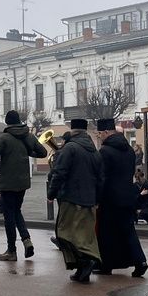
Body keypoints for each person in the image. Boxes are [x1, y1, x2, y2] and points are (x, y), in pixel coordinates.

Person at [0, 110, 47, 262]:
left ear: (7, 122)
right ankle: (26, 240)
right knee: (16, 210)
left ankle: (11, 250)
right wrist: (27, 152)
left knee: (9, 215)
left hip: (7, 183)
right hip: (23, 182)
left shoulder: (5, 137)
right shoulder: (29, 135)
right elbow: (43, 152)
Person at [48, 119, 102, 283]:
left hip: (71, 198)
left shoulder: (70, 148)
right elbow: (100, 178)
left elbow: (59, 172)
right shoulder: (94, 150)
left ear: (72, 130)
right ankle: (81, 270)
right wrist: (97, 198)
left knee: (65, 233)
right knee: (84, 235)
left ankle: (87, 261)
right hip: (90, 199)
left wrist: (51, 193)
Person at [95, 118, 147, 277]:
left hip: (110, 198)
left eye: (99, 134)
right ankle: (140, 262)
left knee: (106, 232)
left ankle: (107, 265)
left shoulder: (104, 151)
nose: (99, 137)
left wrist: (97, 198)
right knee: (128, 230)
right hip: (128, 195)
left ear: (105, 132)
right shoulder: (129, 150)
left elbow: (102, 178)